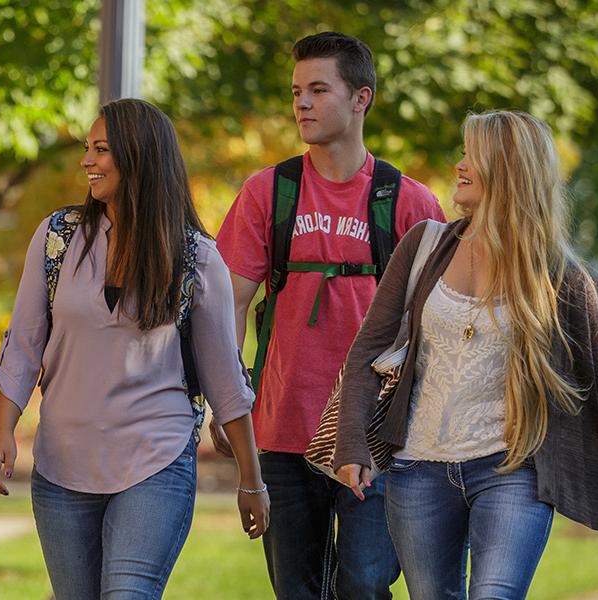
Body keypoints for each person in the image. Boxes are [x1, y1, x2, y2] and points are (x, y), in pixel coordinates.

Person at [333, 110, 598, 598]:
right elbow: (369, 347)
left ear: (508, 167)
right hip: (418, 468)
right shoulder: (424, 246)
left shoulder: (559, 277)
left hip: (512, 469)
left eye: (472, 155)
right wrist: (351, 443)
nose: (459, 165)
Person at [0, 98, 268, 599]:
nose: (86, 161)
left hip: (154, 460)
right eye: (86, 148)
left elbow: (227, 379)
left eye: (101, 149)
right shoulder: (56, 239)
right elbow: (25, 342)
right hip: (62, 464)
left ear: (138, 156)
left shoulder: (197, 258)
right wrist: (3, 431)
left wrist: (251, 480)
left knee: (127, 593)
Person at [214, 31, 445, 599]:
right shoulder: (269, 192)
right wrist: (226, 399)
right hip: (284, 425)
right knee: (296, 589)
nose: (303, 104)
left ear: (361, 98)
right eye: (297, 92)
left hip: (373, 432)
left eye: (319, 89)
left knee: (364, 584)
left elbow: (435, 325)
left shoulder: (410, 202)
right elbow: (229, 304)